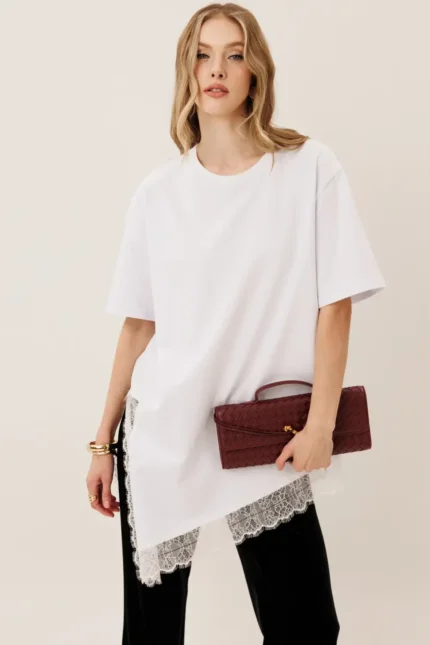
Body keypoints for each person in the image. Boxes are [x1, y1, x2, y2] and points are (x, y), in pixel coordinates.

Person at [86, 3, 386, 644]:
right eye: (202, 54)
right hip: (162, 432)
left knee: (307, 626)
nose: (216, 69)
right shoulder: (159, 193)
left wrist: (321, 425)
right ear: (187, 71)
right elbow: (139, 326)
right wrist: (102, 442)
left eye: (234, 54)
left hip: (262, 436)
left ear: (256, 72)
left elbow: (334, 306)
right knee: (151, 633)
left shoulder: (308, 169)